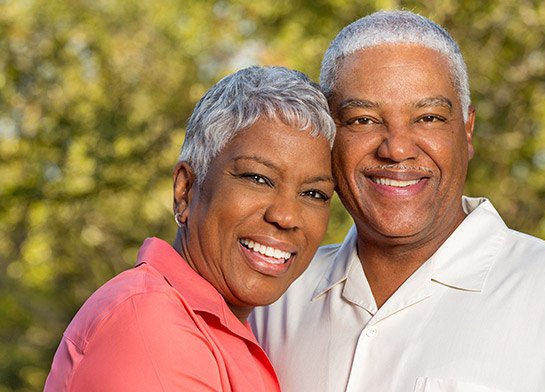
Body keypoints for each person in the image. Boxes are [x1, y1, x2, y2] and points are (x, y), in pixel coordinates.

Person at [250, 10, 545, 392]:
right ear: (328, 136)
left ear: (467, 131)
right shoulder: (275, 297)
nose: (398, 148)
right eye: (363, 120)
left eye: (429, 117)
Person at [44, 65, 336, 391]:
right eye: (257, 178)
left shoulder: (229, 330)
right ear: (185, 189)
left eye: (314, 193)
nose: (285, 216)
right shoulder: (150, 323)